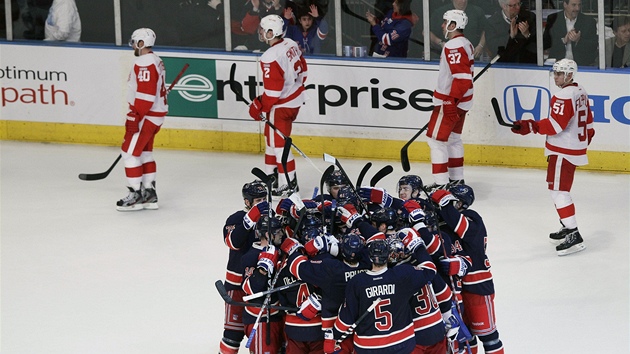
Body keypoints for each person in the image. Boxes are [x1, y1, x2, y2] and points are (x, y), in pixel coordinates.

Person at [510, 58, 594, 256]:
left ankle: (573, 234)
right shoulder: (580, 91)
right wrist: (581, 143)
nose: (555, 76)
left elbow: (556, 125)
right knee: (559, 190)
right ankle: (567, 225)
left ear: (569, 75)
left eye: (559, 73)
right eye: (555, 73)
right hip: (572, 149)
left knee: (558, 191)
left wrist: (529, 126)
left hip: (562, 150)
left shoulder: (563, 95)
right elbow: (589, 125)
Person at [430, 184, 505, 353]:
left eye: (452, 200)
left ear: (461, 203)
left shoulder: (471, 218)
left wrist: (444, 202)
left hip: (478, 285)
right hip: (458, 288)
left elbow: (460, 225)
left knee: (489, 336)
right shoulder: (447, 222)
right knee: (466, 335)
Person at [329, 237, 436, 354]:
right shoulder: (402, 274)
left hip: (368, 347)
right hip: (402, 343)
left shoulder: (357, 282)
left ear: (369, 258)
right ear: (388, 256)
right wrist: (418, 245)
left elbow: (346, 320)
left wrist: (334, 336)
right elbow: (430, 270)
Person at [248, 14, 308, 198]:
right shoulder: (290, 43)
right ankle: (271, 178)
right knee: (271, 141)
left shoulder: (270, 56)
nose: (260, 32)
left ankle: (288, 184)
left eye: (263, 29)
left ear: (271, 32)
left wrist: (260, 106)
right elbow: (303, 72)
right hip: (294, 100)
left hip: (281, 106)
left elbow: (273, 92)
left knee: (280, 146)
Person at [116, 28, 167, 211]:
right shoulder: (156, 60)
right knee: (145, 153)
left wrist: (134, 115)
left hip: (145, 115)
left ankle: (135, 195)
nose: (132, 45)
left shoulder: (144, 61)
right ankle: (149, 194)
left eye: (134, 41)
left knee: (129, 153)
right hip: (154, 115)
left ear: (141, 43)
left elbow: (146, 94)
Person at [425, 9, 474, 190]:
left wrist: (450, 101)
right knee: (453, 139)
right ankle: (456, 178)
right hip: (462, 101)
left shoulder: (453, 46)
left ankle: (441, 184)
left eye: (446, 22)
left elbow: (462, 78)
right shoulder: (465, 43)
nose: (443, 25)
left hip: (450, 101)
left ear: (453, 25)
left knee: (436, 140)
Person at [219, 180, 268, 354]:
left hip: (262, 284)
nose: (262, 204)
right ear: (247, 202)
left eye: (264, 199)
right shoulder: (236, 218)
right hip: (237, 285)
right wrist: (250, 219)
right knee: (233, 333)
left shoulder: (270, 219)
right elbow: (232, 241)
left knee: (264, 333)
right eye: (258, 201)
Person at [542, 0, 597, 66]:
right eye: (574, 5)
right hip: (558, 65)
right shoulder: (553, 19)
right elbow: (545, 44)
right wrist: (564, 40)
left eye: (579, 5)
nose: (577, 8)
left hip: (581, 66)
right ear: (565, 4)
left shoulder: (589, 21)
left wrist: (578, 40)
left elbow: (593, 46)